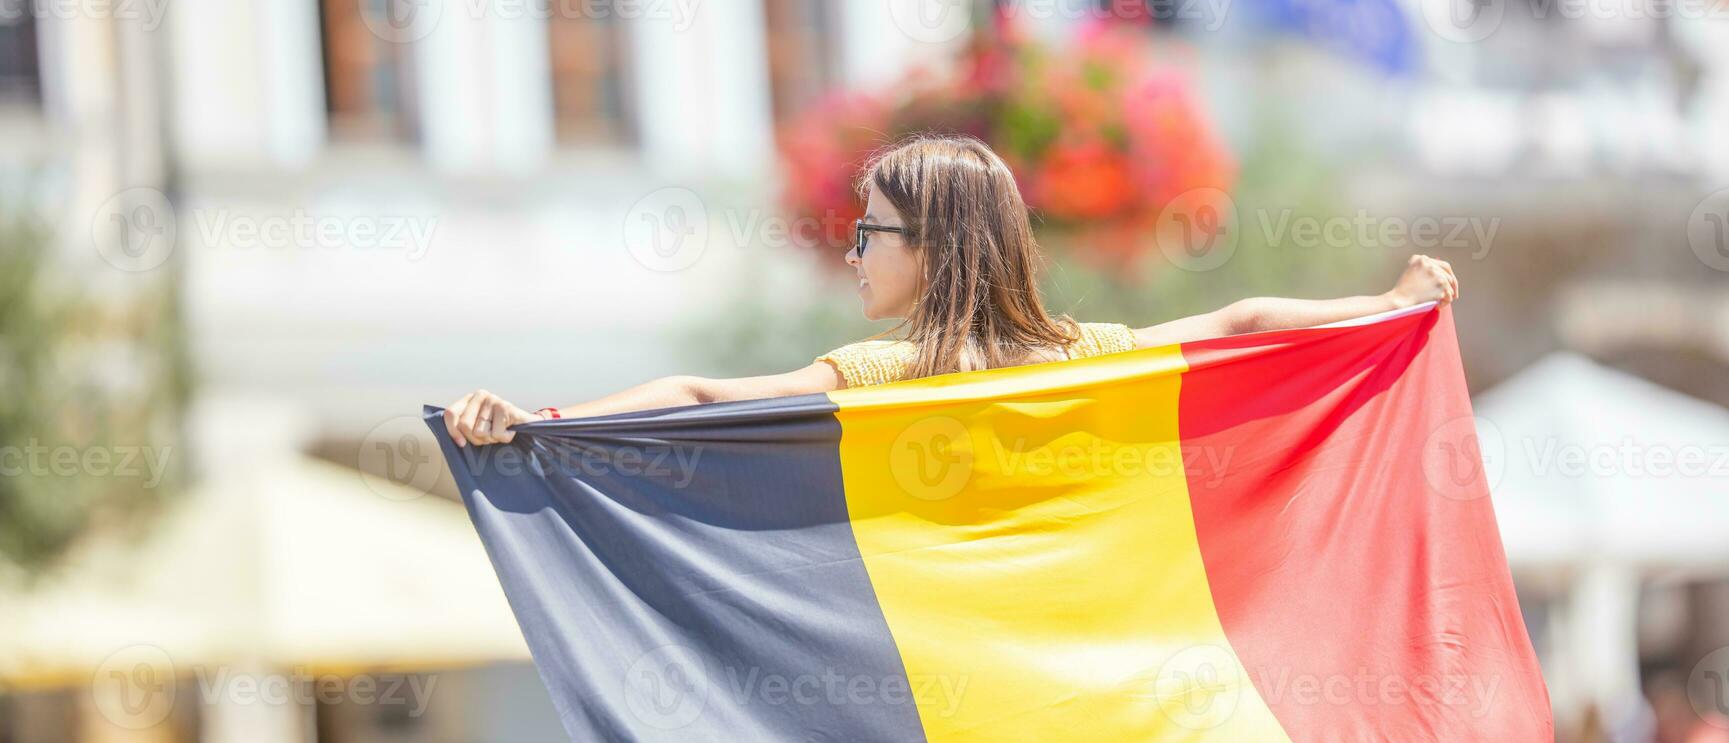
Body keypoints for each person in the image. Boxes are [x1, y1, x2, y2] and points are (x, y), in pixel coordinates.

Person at [444, 134, 1459, 447]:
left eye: (866, 232)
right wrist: (1390, 303)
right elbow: (1241, 321)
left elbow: (700, 394)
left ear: (930, 247)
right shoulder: (1080, 352)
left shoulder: (887, 372)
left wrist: (540, 422)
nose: (850, 254)